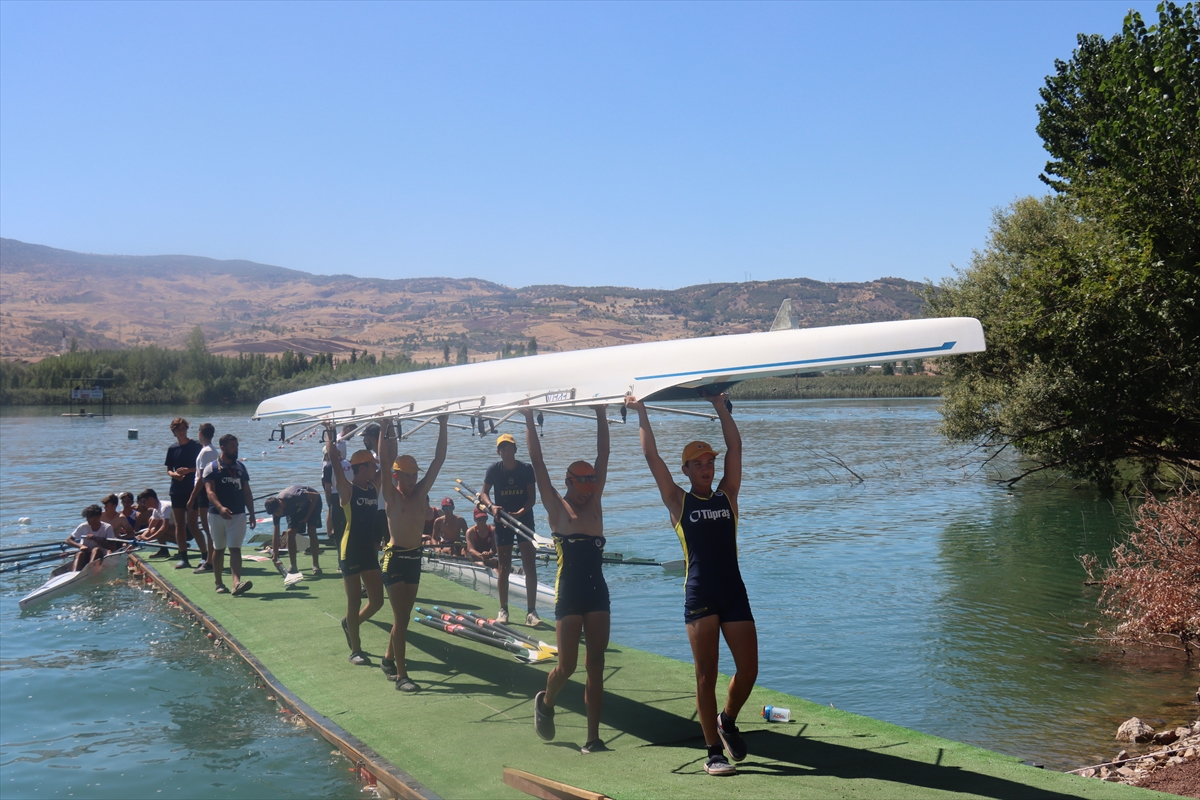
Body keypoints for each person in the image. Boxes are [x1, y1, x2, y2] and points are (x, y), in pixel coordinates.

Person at [625, 392, 758, 776]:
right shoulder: (678, 502)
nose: (706, 469)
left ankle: (727, 720)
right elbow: (652, 458)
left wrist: (719, 405)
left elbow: (736, 445)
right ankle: (713, 752)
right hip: (700, 594)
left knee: (748, 670)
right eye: (698, 464)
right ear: (685, 470)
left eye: (709, 463)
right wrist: (641, 411)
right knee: (706, 675)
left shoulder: (728, 495)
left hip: (734, 591)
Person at [520, 404, 611, 754]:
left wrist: (601, 413)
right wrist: (529, 417)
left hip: (597, 591)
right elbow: (538, 464)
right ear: (569, 482)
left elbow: (604, 453)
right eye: (582, 483)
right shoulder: (557, 507)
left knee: (596, 665)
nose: (588, 489)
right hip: (569, 591)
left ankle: (593, 737)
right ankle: (546, 701)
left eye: (592, 482)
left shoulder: (596, 501)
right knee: (568, 665)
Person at [377, 416, 448, 691]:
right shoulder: (391, 495)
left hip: (414, 559)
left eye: (415, 474)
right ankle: (401, 675)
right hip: (394, 560)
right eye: (408, 475)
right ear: (396, 477)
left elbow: (438, 460)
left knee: (403, 617)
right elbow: (383, 463)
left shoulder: (420, 493)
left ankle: (387, 659)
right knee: (401, 619)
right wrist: (383, 428)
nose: (413, 478)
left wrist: (443, 424)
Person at [324, 427, 384, 666]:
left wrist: (385, 427)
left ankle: (351, 623)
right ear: (361, 468)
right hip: (350, 551)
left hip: (369, 551)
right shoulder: (347, 489)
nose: (375, 468)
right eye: (371, 465)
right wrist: (330, 436)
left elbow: (387, 462)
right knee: (354, 602)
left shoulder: (373, 487)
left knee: (377, 601)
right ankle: (356, 650)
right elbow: (336, 464)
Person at [480, 432, 541, 625]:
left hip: (524, 520)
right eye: (503, 448)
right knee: (503, 566)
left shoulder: (526, 469)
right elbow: (484, 493)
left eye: (510, 447)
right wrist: (492, 507)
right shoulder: (494, 470)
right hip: (503, 520)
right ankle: (503, 610)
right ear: (498, 452)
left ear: (515, 450)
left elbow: (532, 498)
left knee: (529, 565)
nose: (507, 451)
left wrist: (520, 512)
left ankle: (531, 612)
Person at [202, 434, 257, 596]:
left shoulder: (240, 467)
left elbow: (247, 492)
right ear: (223, 448)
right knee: (219, 549)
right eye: (233, 446)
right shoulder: (211, 468)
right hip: (217, 515)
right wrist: (220, 508)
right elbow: (209, 492)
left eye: (237, 446)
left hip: (238, 515)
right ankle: (219, 583)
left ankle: (236, 584)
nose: (236, 449)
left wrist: (252, 514)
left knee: (235, 549)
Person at [164, 417, 203, 569]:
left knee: (193, 524)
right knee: (179, 525)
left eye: (183, 428)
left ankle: (205, 556)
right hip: (176, 490)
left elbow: (202, 467)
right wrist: (173, 474)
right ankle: (184, 558)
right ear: (174, 431)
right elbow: (168, 469)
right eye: (178, 429)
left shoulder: (195, 446)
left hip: (193, 489)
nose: (182, 431)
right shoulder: (172, 448)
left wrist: (189, 470)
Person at [264, 485, 324, 579]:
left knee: (311, 531)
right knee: (290, 533)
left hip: (312, 502)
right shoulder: (276, 511)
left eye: (278, 512)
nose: (277, 515)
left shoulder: (293, 496)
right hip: (295, 509)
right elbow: (276, 534)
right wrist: (275, 555)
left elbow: (315, 495)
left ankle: (315, 565)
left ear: (281, 503)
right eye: (275, 514)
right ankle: (293, 566)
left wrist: (307, 517)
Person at [188, 423, 219, 574]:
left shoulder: (206, 452)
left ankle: (210, 562)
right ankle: (211, 560)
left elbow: (201, 477)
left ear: (200, 434)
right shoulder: (212, 451)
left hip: (203, 492)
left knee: (208, 528)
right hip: (208, 491)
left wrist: (192, 497)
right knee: (209, 528)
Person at [66, 505, 116, 571]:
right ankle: (74, 573)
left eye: (89, 517)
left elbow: (112, 547)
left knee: (96, 550)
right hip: (85, 554)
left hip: (100, 556)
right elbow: (68, 540)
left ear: (98, 517)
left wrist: (96, 539)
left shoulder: (107, 527)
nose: (87, 519)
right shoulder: (83, 526)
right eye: (87, 517)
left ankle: (89, 570)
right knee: (79, 553)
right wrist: (80, 546)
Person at [134, 488, 175, 557]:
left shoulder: (164, 507)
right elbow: (149, 529)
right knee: (153, 528)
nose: (143, 504)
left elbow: (164, 528)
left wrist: (148, 539)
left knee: (157, 528)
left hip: (186, 531)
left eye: (144, 502)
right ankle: (164, 551)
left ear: (151, 499)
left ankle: (182, 545)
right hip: (176, 529)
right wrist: (139, 539)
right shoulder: (156, 509)